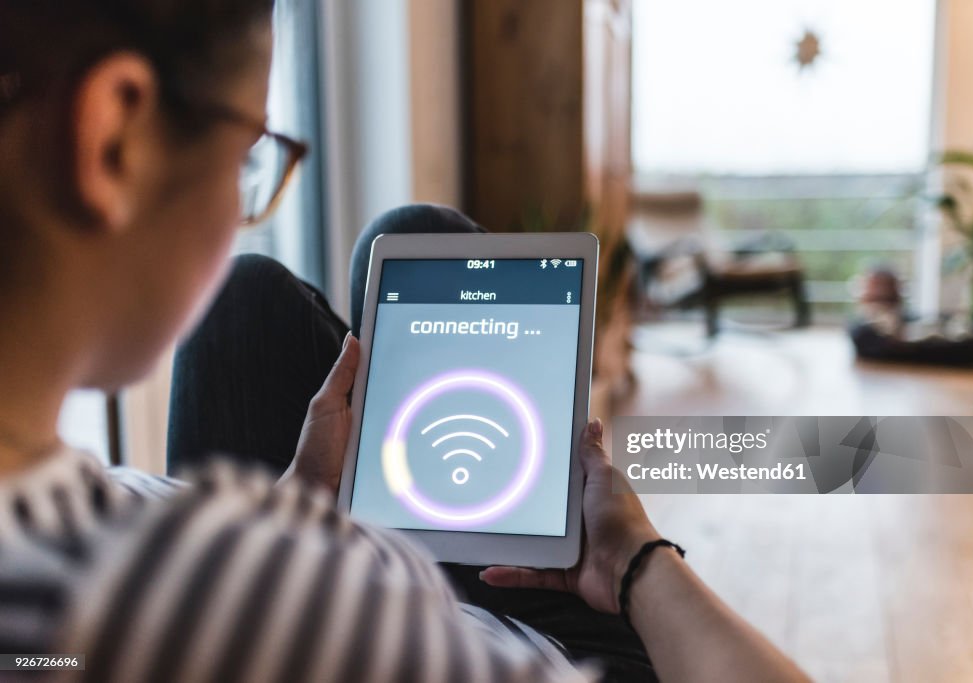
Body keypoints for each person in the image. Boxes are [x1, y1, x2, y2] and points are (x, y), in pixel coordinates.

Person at [0, 1, 810, 681]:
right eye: (248, 161)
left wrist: (291, 511)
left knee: (288, 280)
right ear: (113, 141)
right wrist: (635, 560)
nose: (245, 203)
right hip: (546, 631)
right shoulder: (362, 639)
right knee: (411, 241)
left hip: (320, 549)